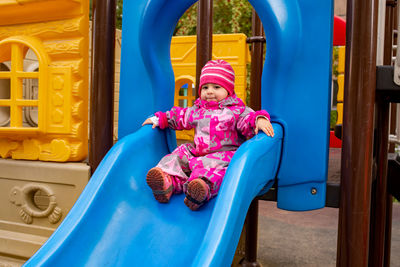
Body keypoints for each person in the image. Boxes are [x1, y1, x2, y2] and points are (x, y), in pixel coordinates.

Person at [142, 59, 274, 211]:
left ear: (228, 90)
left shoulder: (236, 110)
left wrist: (259, 120)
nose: (209, 91)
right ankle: (167, 181)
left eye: (216, 87)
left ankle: (201, 189)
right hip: (198, 154)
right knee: (181, 152)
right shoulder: (197, 110)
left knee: (217, 170)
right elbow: (180, 116)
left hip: (223, 156)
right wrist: (160, 119)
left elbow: (247, 119)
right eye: (205, 87)